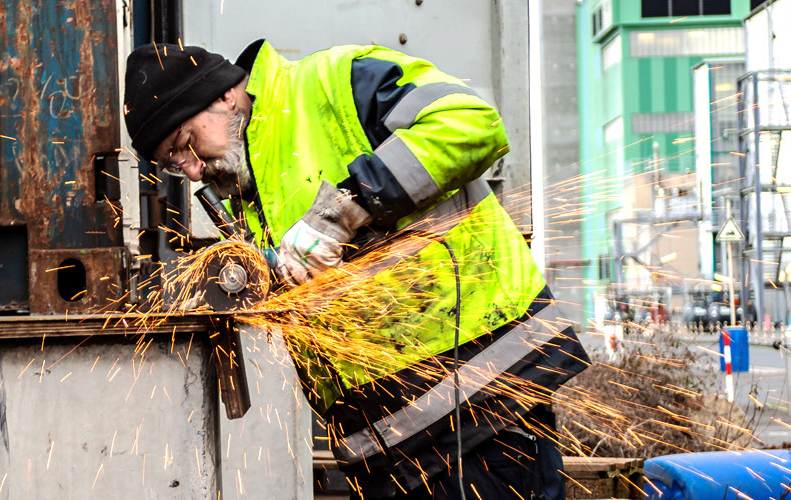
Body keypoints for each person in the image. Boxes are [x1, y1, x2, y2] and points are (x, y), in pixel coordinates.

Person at [123, 40, 589, 499]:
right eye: (172, 163)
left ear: (224, 95)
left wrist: (346, 208)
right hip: (389, 446)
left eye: (185, 144)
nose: (192, 171)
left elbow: (471, 123)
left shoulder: (334, 83)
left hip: (477, 411)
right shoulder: (250, 180)